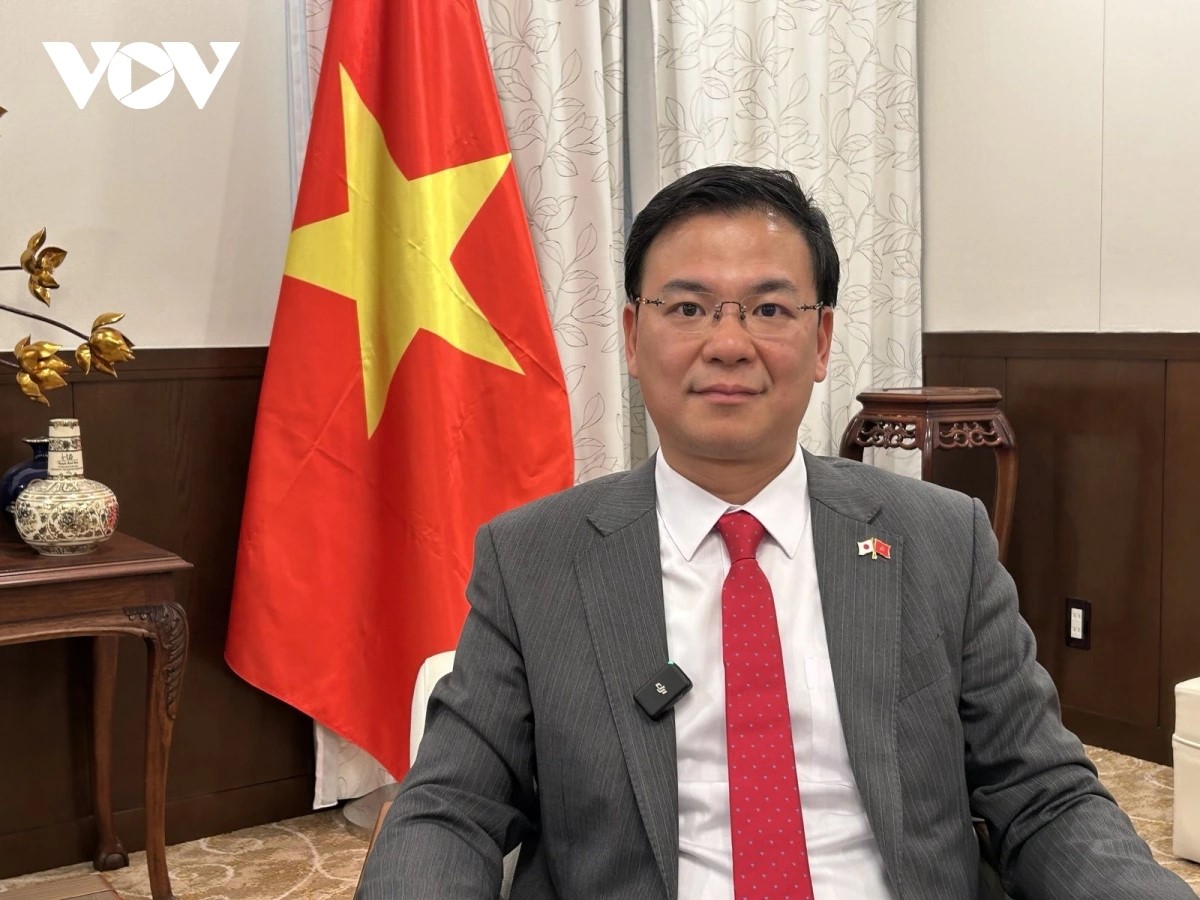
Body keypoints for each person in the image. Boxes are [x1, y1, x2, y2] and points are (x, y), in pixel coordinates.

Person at [357, 165, 1193, 899]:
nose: (728, 344)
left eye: (768, 308)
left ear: (821, 340)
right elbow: (451, 808)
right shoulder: (535, 556)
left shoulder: (941, 538)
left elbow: (1044, 796)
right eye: (688, 306)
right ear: (633, 337)